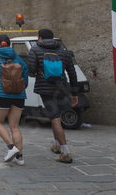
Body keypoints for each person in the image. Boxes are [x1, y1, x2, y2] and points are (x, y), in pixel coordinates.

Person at [27, 28, 79, 163]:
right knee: (58, 116)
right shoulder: (64, 52)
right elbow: (72, 73)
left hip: (46, 89)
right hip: (62, 88)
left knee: (55, 119)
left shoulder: (35, 50)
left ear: (39, 38)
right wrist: (74, 93)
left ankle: (66, 152)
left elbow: (31, 71)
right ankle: (56, 144)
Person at [0, 33, 29, 165]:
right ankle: (20, 158)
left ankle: (11, 147)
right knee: (14, 126)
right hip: (19, 95)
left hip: (2, 94)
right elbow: (25, 72)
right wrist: (21, 87)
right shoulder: (17, 58)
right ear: (9, 44)